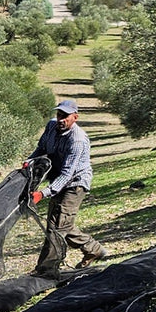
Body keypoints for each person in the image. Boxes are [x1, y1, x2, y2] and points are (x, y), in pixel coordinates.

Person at [26, 99, 108, 278]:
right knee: (61, 224)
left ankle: (45, 270)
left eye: (65, 116)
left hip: (75, 184)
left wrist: (43, 193)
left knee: (57, 227)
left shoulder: (77, 140)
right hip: (58, 180)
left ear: (75, 117)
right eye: (59, 115)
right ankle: (93, 249)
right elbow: (41, 148)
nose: (61, 119)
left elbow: (67, 174)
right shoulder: (51, 126)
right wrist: (30, 161)